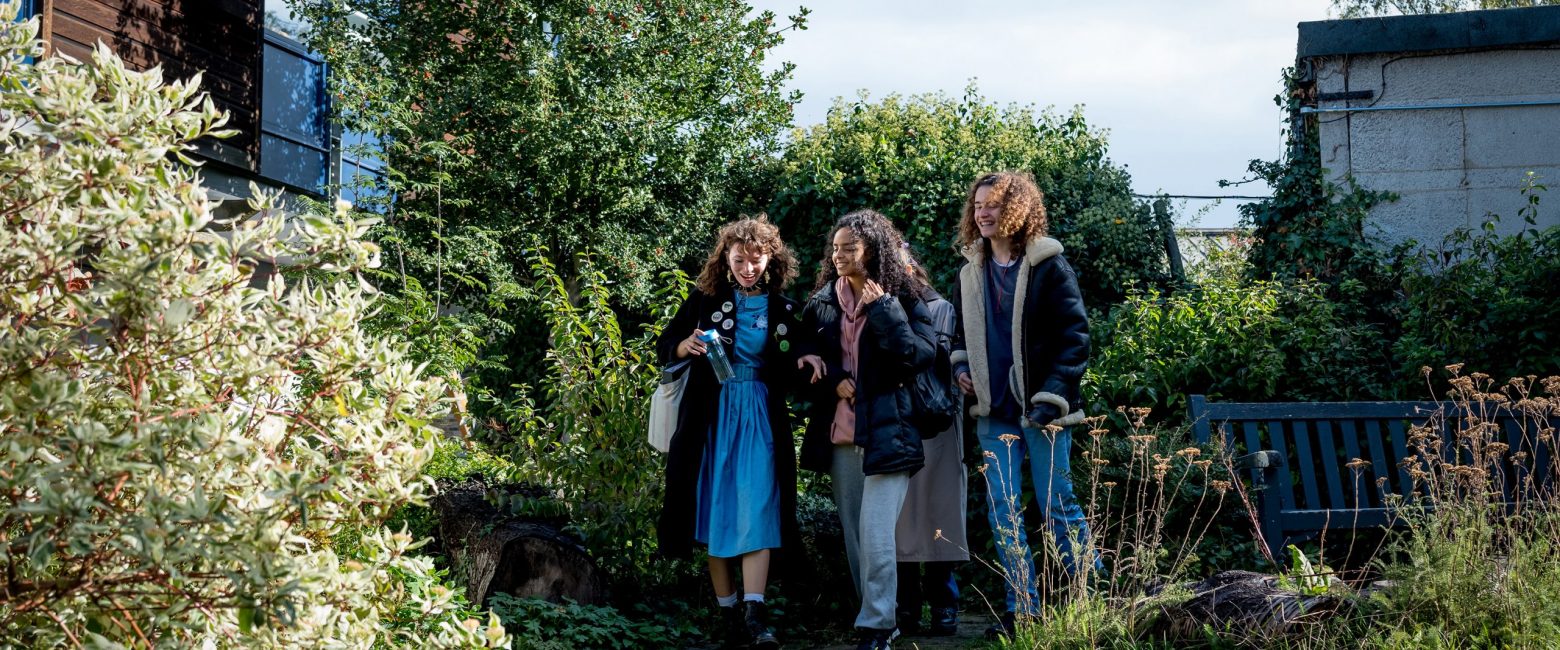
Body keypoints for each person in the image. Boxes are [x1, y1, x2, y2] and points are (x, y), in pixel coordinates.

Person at [655, 215, 815, 650]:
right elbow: (666, 343)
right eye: (740, 259)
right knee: (715, 507)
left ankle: (755, 614)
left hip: (761, 416)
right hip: (710, 420)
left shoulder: (783, 307)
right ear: (725, 258)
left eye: (756, 259)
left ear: (770, 259)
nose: (748, 267)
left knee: (760, 505)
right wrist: (683, 346)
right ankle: (728, 616)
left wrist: (809, 359)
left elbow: (800, 348)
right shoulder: (703, 299)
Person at [948, 172, 1096, 638]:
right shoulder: (970, 271)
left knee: (1059, 506)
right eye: (977, 206)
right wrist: (959, 368)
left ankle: (1090, 602)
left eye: (992, 204)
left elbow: (1075, 339)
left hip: (1044, 411)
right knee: (1003, 511)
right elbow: (956, 337)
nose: (983, 212)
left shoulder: (1049, 266)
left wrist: (1053, 397)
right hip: (994, 413)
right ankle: (1023, 613)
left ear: (1017, 209)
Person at [797, 209, 937, 650]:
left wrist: (884, 310)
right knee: (857, 538)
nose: (839, 256)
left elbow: (919, 355)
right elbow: (803, 356)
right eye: (835, 249)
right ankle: (879, 618)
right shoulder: (821, 301)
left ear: (873, 250)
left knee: (876, 532)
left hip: (888, 432)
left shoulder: (903, 296)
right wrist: (827, 370)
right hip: (841, 436)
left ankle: (877, 625)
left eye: (849, 248)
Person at [892, 244, 969, 638]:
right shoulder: (884, 308)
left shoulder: (941, 308)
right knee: (900, 518)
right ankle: (906, 607)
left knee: (940, 514)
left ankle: (944, 605)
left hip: (938, 423)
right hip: (898, 425)